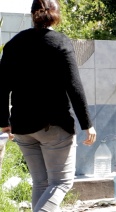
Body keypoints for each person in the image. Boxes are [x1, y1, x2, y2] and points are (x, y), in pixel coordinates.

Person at [0, 0, 96, 211]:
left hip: (22, 127)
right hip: (53, 125)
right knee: (61, 183)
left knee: (42, 184)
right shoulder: (60, 42)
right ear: (56, 15)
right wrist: (87, 123)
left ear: (33, 14)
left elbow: (1, 87)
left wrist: (4, 123)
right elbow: (74, 85)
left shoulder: (13, 44)